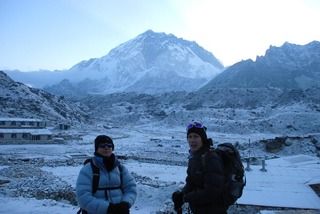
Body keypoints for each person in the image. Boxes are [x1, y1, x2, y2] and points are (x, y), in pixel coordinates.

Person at [172, 122, 227, 214]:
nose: (192, 140)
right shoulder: (194, 157)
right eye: (190, 137)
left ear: (203, 138)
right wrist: (182, 194)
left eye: (196, 136)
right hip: (199, 209)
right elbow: (191, 181)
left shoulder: (211, 158)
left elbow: (211, 192)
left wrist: (185, 198)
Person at [76, 135, 137, 214]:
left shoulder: (120, 168)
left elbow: (131, 189)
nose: (106, 148)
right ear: (96, 149)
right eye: (102, 146)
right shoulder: (88, 170)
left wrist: (125, 203)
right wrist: (108, 209)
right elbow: (83, 197)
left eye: (109, 145)